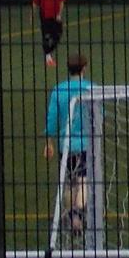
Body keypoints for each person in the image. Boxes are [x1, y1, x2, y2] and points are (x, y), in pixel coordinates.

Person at [42, 53, 93, 233]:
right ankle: (77, 215)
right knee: (84, 181)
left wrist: (49, 142)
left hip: (66, 145)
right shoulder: (91, 88)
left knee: (70, 182)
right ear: (84, 68)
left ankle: (72, 216)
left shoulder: (59, 90)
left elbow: (51, 119)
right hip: (86, 144)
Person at [31, 0, 67, 68]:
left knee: (58, 36)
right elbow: (35, 1)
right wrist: (32, 14)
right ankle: (48, 57)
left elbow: (61, 0)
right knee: (46, 37)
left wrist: (59, 14)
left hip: (55, 16)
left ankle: (48, 52)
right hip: (44, 15)